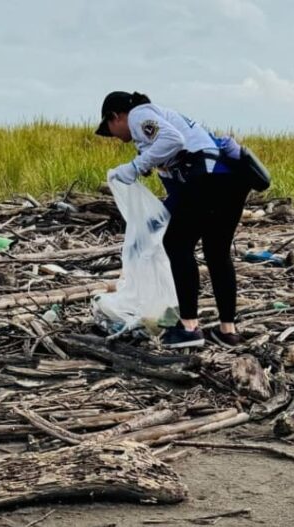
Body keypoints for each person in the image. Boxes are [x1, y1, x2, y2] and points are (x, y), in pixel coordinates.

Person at [95, 91, 250, 348]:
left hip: (208, 178)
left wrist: (133, 167)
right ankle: (228, 331)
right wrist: (155, 220)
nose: (114, 136)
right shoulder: (158, 128)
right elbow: (179, 189)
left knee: (177, 245)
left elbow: (172, 140)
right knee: (217, 252)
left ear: (116, 116)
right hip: (230, 181)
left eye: (110, 128)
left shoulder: (139, 115)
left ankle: (188, 328)